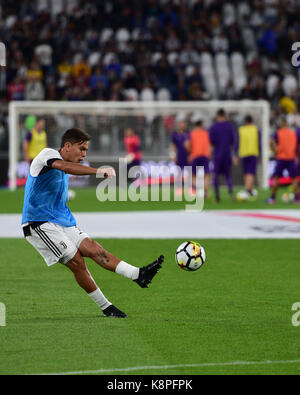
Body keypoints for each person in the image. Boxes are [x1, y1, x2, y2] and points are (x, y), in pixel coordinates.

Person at [21, 128, 164, 318]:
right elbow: (66, 167)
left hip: (62, 219)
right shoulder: (48, 155)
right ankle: (107, 307)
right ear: (67, 146)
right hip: (39, 223)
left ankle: (138, 274)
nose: (84, 154)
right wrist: (98, 171)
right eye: (81, 149)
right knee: (77, 262)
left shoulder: (63, 166)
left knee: (93, 248)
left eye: (86, 150)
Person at [266, 117, 299, 204]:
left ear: (281, 124)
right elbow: (297, 145)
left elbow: (271, 142)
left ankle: (272, 198)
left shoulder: (278, 133)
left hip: (281, 158)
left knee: (277, 178)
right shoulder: (293, 133)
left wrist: (274, 150)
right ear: (287, 124)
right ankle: (296, 199)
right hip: (291, 158)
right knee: (294, 179)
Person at [209, 109, 238, 202]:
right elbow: (233, 141)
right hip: (227, 154)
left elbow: (211, 142)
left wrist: (210, 153)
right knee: (228, 175)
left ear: (217, 115)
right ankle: (231, 194)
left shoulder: (213, 127)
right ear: (224, 115)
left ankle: (217, 197)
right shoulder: (229, 126)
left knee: (215, 175)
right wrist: (235, 155)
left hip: (217, 154)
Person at [185, 118, 211, 197]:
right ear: (201, 125)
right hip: (205, 156)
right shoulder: (206, 133)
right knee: (206, 174)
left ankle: (193, 190)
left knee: (193, 174)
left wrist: (189, 152)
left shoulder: (192, 133)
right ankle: (206, 191)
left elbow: (187, 144)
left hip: (195, 155)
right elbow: (210, 145)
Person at [236, 115, 260, 199]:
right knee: (251, 173)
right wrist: (260, 154)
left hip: (244, 153)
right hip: (253, 153)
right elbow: (259, 143)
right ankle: (248, 189)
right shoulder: (256, 129)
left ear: (245, 121)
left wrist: (236, 154)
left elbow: (237, 143)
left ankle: (248, 189)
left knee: (246, 172)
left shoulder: (241, 130)